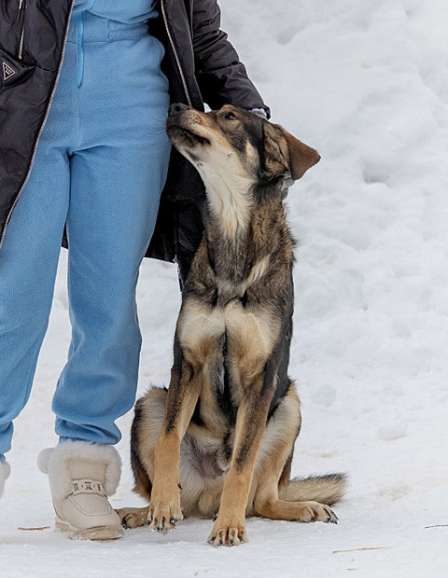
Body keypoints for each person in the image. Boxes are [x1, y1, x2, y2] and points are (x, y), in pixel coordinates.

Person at [0, 0, 269, 540]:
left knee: (109, 299)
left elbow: (199, 30)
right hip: (22, 103)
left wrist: (249, 111)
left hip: (132, 111)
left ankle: (84, 462)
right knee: (13, 296)